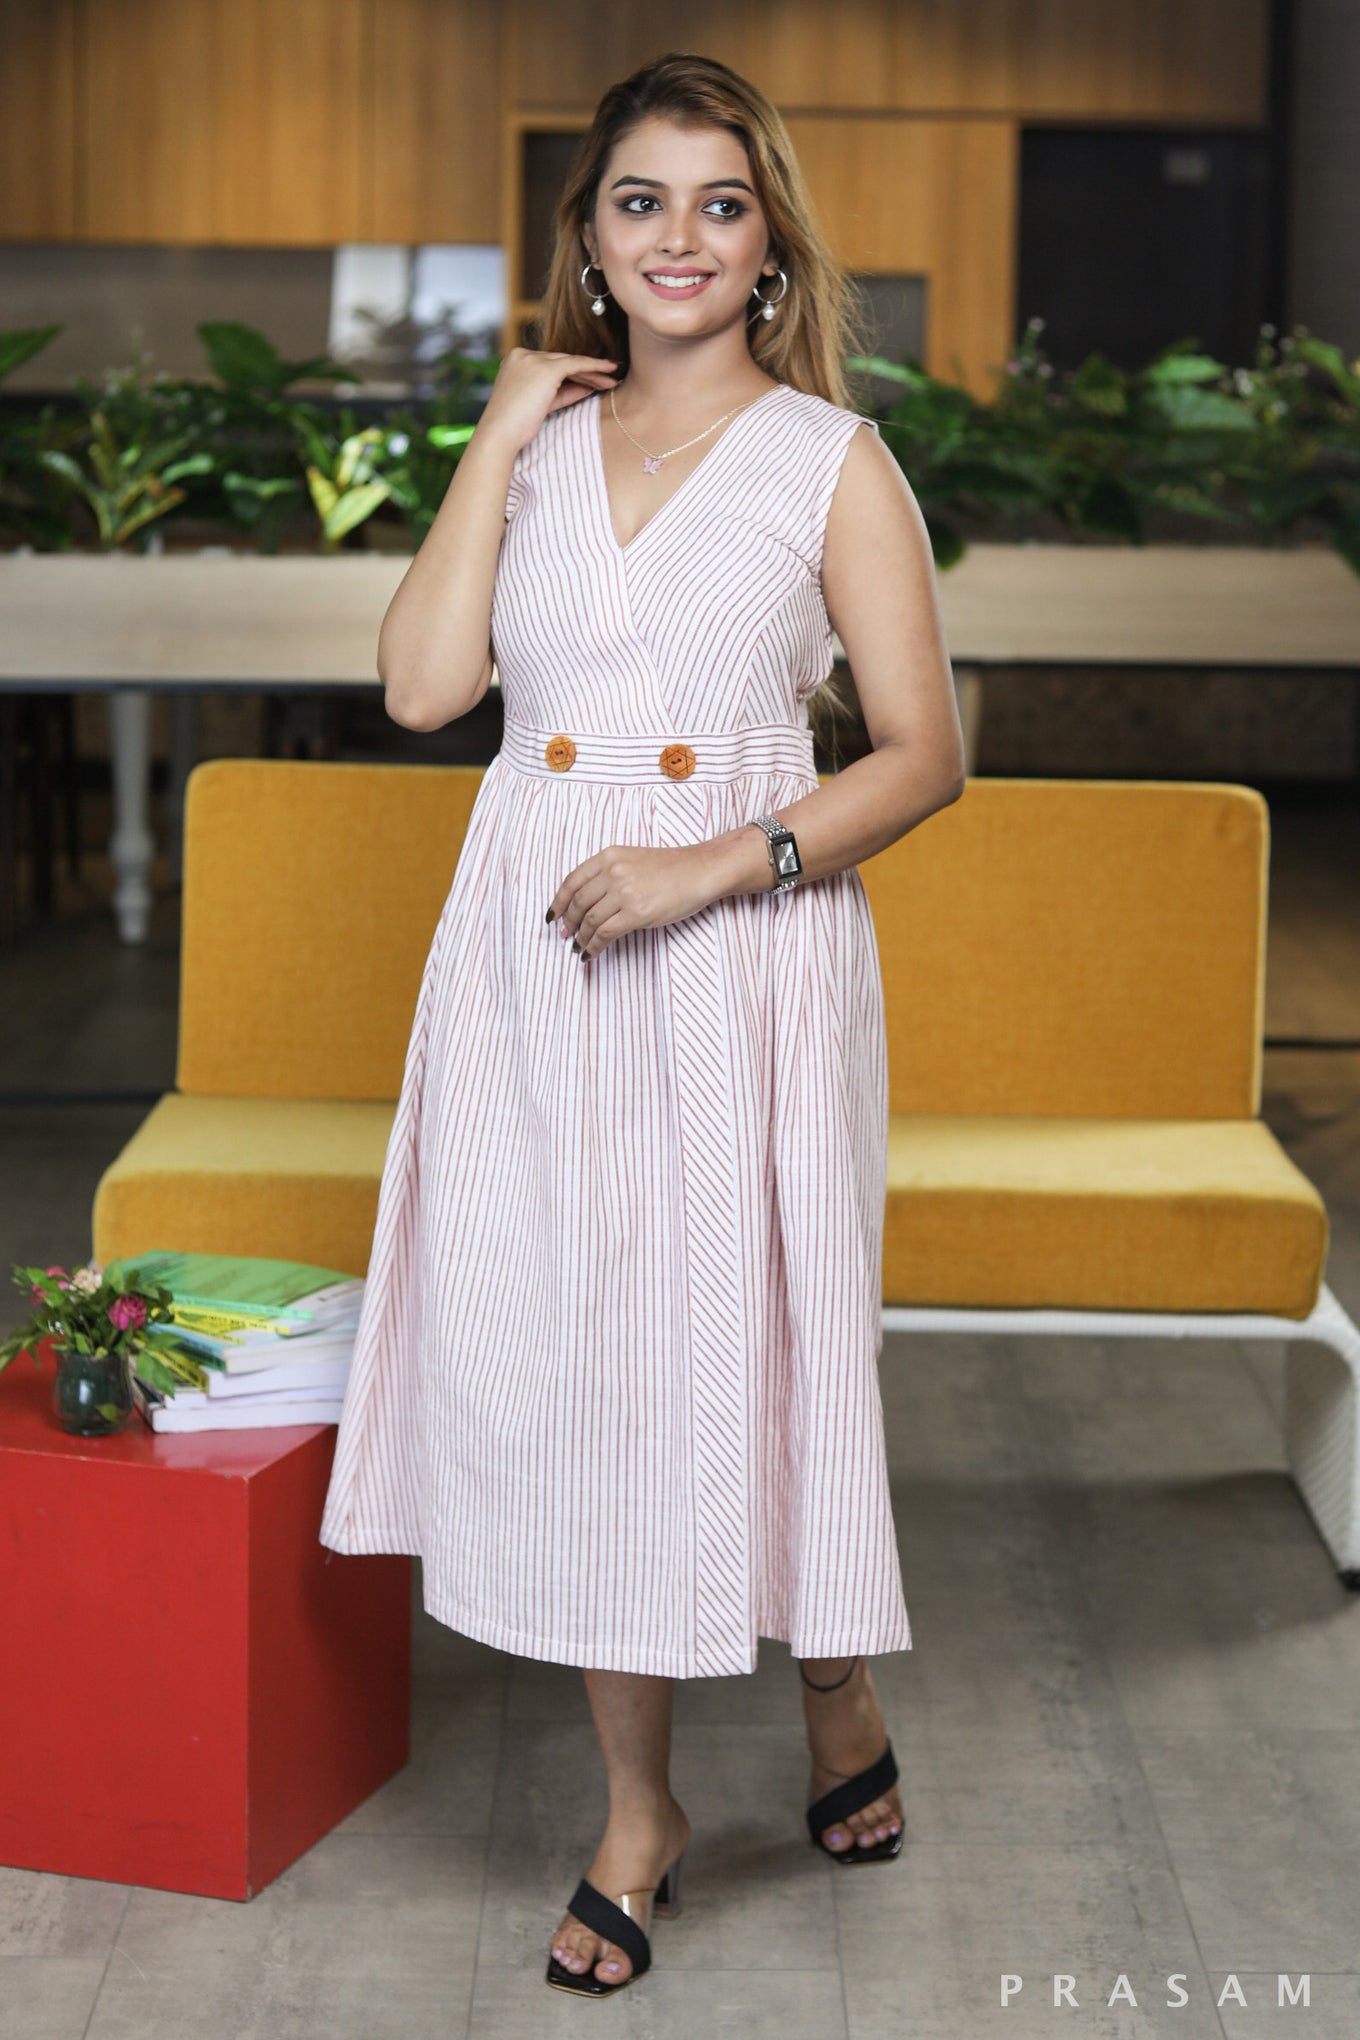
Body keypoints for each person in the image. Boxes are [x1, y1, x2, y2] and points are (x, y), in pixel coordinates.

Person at [318, 48, 964, 1999]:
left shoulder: (829, 462)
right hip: (528, 962)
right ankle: (639, 1812)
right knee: (596, 1370)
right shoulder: (534, 443)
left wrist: (708, 867)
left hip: (738, 955)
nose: (674, 237)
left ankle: (829, 1682)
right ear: (585, 240)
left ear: (765, 242)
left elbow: (929, 756)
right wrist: (490, 432)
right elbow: (429, 692)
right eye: (635, 202)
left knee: (750, 1349)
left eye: (716, 202)